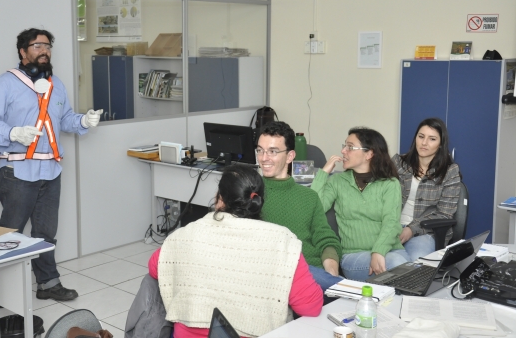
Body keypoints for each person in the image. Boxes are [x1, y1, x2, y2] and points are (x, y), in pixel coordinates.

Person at [0, 28, 102, 301]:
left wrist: (83, 121)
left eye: (47, 46)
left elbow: (64, 118)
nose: (44, 50)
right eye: (36, 46)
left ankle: (47, 284)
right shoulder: (6, 83)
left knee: (45, 233)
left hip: (51, 170)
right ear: (22, 52)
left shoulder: (56, 83)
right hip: (18, 172)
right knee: (9, 234)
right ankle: (1, 293)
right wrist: (12, 133)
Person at [148, 165, 323, 338]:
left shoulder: (187, 233)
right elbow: (311, 307)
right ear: (258, 201)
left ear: (220, 198)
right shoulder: (283, 241)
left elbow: (155, 266)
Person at [312, 127, 411, 281]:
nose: (343, 151)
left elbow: (391, 222)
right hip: (354, 256)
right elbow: (315, 207)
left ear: (369, 154)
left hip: (391, 251)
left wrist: (378, 251)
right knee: (399, 268)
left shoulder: (390, 184)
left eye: (350, 147)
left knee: (410, 271)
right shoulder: (337, 182)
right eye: (344, 146)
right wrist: (323, 173)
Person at [258, 121, 343, 291]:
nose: (264, 158)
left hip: (314, 272)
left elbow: (326, 238)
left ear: (290, 156)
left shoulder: (309, 197)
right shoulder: (250, 194)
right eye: (260, 150)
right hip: (277, 272)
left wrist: (332, 274)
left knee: (350, 298)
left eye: (273, 151)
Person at [393, 117, 461, 261]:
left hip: (426, 232)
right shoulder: (398, 162)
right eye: (421, 137)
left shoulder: (450, 171)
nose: (424, 143)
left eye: (432, 139)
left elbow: (444, 214)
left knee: (416, 262)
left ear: (441, 144)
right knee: (391, 263)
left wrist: (411, 229)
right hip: (392, 226)